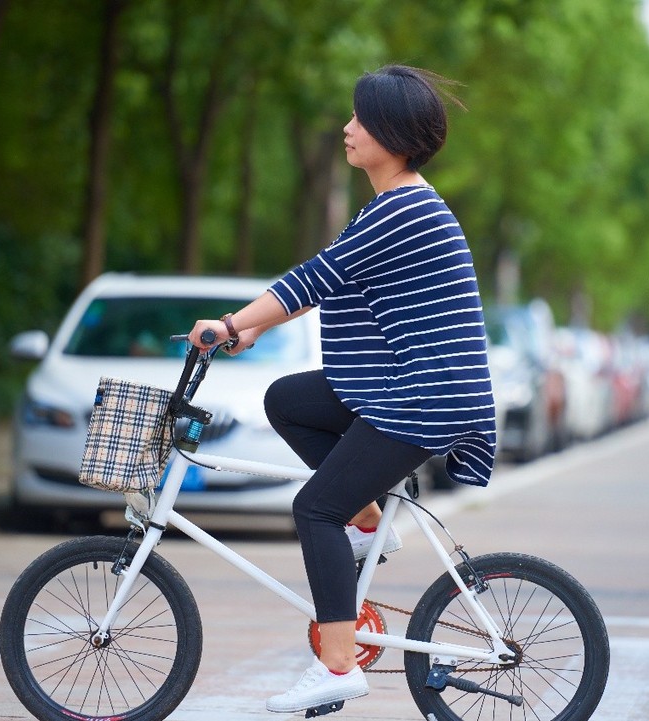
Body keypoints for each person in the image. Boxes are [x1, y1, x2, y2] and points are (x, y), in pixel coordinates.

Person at [188, 64, 496, 714]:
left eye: (362, 119)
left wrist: (229, 324)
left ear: (396, 134)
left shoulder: (406, 208)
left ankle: (335, 665)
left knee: (313, 509)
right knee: (287, 400)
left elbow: (311, 278)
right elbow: (322, 286)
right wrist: (244, 333)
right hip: (408, 388)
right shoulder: (386, 207)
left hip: (422, 396)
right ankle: (365, 519)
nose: (348, 128)